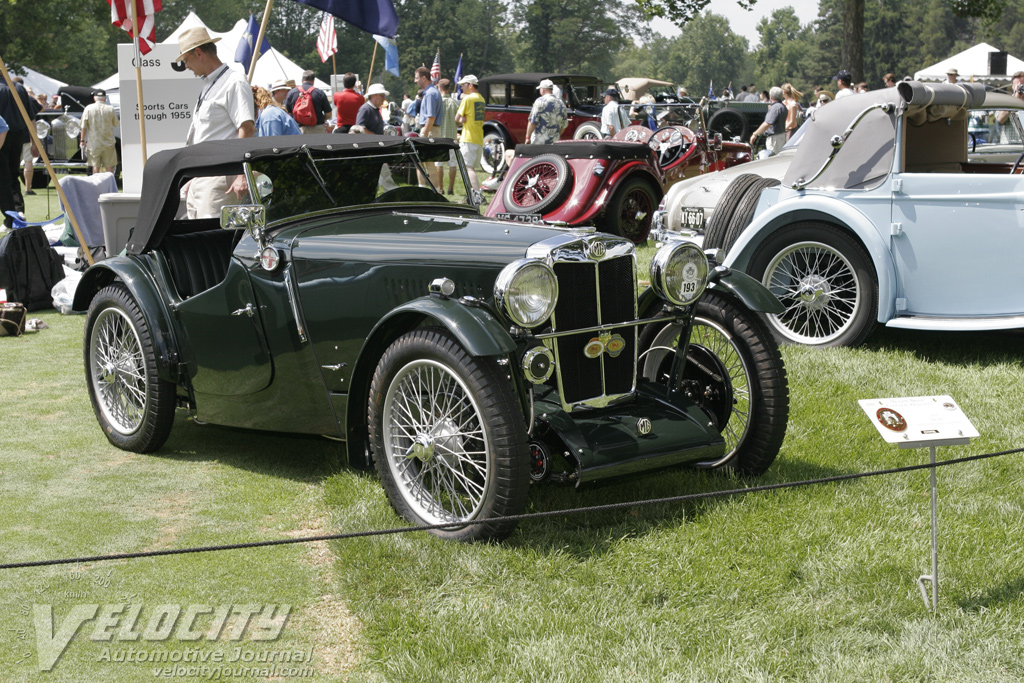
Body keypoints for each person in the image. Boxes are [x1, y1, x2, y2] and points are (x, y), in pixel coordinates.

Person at [176, 26, 256, 219]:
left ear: (198, 53)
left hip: (220, 176)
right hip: (201, 177)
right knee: (198, 238)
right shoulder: (210, 84)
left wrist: (241, 174)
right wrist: (192, 177)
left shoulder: (234, 81)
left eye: (186, 60)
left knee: (212, 240)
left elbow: (247, 129)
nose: (186, 66)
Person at [0, 77, 35, 227]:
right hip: (19, 135)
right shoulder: (19, 88)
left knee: (3, 177)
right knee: (14, 173)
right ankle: (18, 210)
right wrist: (35, 142)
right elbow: (30, 116)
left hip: (2, 134)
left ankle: (11, 217)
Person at [455, 74, 484, 192]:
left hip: (468, 138)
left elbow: (457, 117)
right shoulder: (481, 98)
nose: (461, 87)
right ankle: (472, 194)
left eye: (463, 85)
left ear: (470, 85)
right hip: (478, 138)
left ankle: (476, 194)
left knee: (468, 168)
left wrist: (461, 119)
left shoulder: (467, 98)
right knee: (471, 168)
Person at [80, 89, 119, 175]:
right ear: (105, 98)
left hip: (93, 143)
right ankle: (110, 185)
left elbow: (83, 126)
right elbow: (115, 123)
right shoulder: (110, 109)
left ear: (94, 98)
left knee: (95, 167)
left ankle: (96, 185)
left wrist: (82, 140)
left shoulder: (88, 108)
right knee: (109, 167)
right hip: (108, 143)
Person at [435, 78, 461, 192]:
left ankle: (440, 188)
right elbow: (459, 120)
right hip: (452, 138)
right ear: (449, 88)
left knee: (439, 164)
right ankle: (451, 188)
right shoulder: (454, 102)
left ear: (439, 87)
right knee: (452, 164)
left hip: (440, 137)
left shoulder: (437, 102)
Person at [525, 78, 567, 144]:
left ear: (543, 89)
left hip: (539, 142)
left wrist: (527, 137)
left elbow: (532, 122)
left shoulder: (539, 101)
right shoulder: (561, 103)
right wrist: (555, 136)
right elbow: (564, 125)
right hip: (555, 142)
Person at [749, 86, 787, 156]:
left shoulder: (774, 108)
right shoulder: (782, 106)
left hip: (774, 138)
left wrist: (755, 134)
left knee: (772, 159)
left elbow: (767, 123)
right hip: (781, 135)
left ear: (771, 97)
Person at [413, 66, 442, 138]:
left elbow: (431, 117)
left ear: (423, 78)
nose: (415, 81)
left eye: (417, 78)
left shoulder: (430, 94)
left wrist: (424, 134)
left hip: (430, 132)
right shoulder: (431, 92)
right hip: (431, 130)